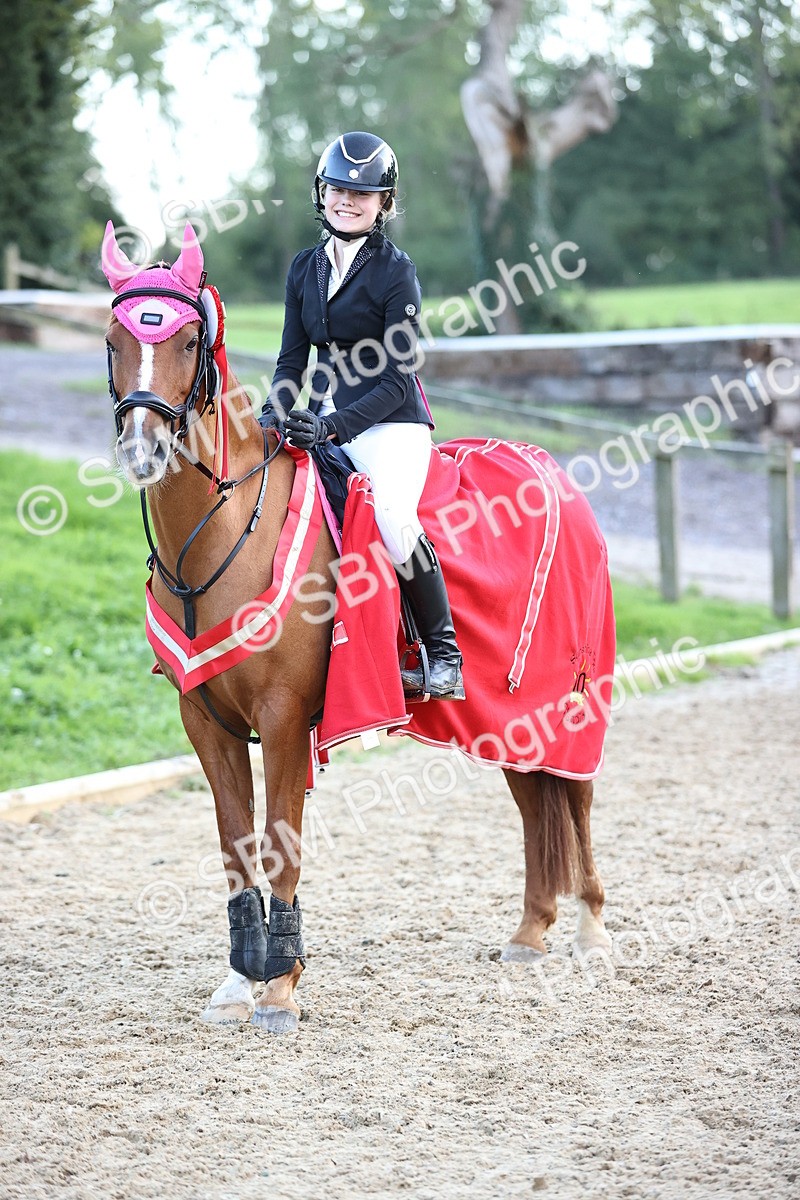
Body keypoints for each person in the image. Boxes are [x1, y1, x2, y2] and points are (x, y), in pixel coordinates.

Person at [259, 130, 464, 701]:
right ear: (321, 194)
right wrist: (274, 413)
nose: (348, 200)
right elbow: (290, 360)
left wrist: (331, 427)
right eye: (338, 189)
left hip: (392, 422)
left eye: (363, 193)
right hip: (326, 410)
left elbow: (398, 377)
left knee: (395, 517)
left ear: (384, 203)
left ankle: (443, 655)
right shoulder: (304, 268)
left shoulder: (396, 272)